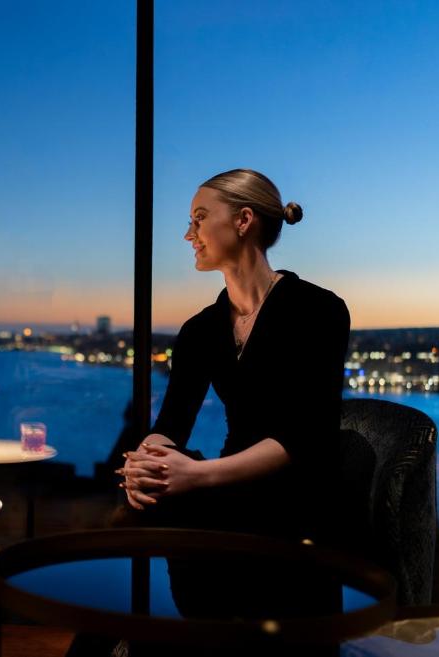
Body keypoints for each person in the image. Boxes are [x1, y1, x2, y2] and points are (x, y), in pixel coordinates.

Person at [71, 169, 350, 657]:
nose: (188, 234)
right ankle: (137, 634)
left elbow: (303, 438)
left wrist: (197, 477)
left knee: (152, 532)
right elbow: (170, 426)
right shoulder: (200, 330)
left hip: (299, 503)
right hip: (229, 490)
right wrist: (145, 461)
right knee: (139, 508)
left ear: (243, 220)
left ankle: (163, 636)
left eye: (199, 219)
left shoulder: (319, 310)